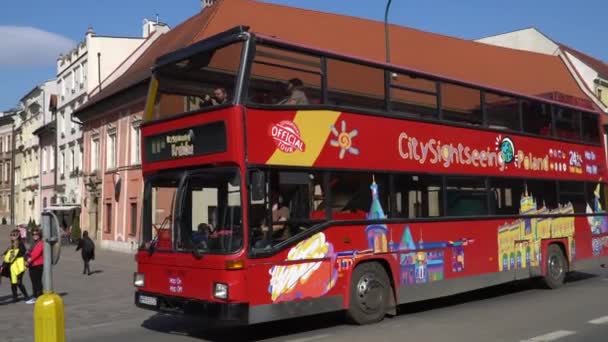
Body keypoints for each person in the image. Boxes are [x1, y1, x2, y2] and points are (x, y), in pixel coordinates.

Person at [0, 229, 30, 303]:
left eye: (14, 235)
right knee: (13, 282)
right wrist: (3, 254)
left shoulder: (20, 244)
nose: (12, 237)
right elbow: (6, 253)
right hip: (11, 267)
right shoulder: (11, 245)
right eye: (11, 235)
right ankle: (15, 297)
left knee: (19, 282)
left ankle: (26, 296)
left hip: (18, 267)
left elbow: (11, 257)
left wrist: (3, 265)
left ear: (18, 235)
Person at [25, 228, 43, 303]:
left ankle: (38, 297)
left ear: (39, 235)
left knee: (37, 281)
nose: (35, 236)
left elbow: (36, 254)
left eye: (36, 234)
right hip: (32, 265)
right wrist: (27, 257)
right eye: (33, 234)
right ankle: (36, 296)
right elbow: (27, 252)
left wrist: (28, 260)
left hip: (38, 264)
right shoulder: (33, 243)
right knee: (34, 281)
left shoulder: (40, 243)